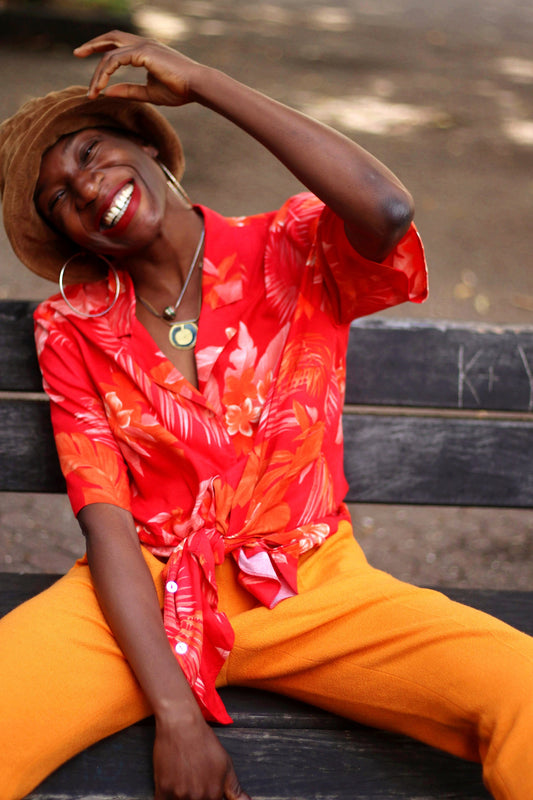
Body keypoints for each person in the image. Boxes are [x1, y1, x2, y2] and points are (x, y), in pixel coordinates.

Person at [0, 29, 532, 800]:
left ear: (145, 143)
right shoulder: (73, 325)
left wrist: (207, 83)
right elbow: (106, 521)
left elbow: (385, 208)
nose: (85, 189)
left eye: (89, 154)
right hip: (142, 600)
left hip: (310, 587)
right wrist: (177, 719)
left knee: (521, 688)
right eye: (60, 198)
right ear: (65, 233)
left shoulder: (293, 246)